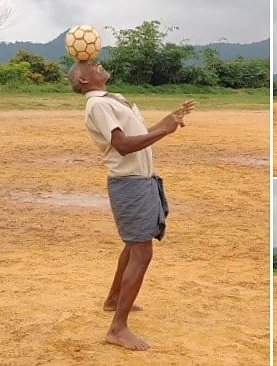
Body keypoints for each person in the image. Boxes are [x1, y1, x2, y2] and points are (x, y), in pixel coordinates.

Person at [68, 61, 196, 351]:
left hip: (140, 181)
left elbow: (133, 139)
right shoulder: (98, 106)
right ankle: (118, 328)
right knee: (141, 251)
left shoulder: (112, 100)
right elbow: (123, 145)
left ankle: (114, 300)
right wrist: (162, 130)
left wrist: (167, 123)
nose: (99, 65)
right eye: (92, 65)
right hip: (130, 184)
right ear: (85, 80)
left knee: (133, 245)